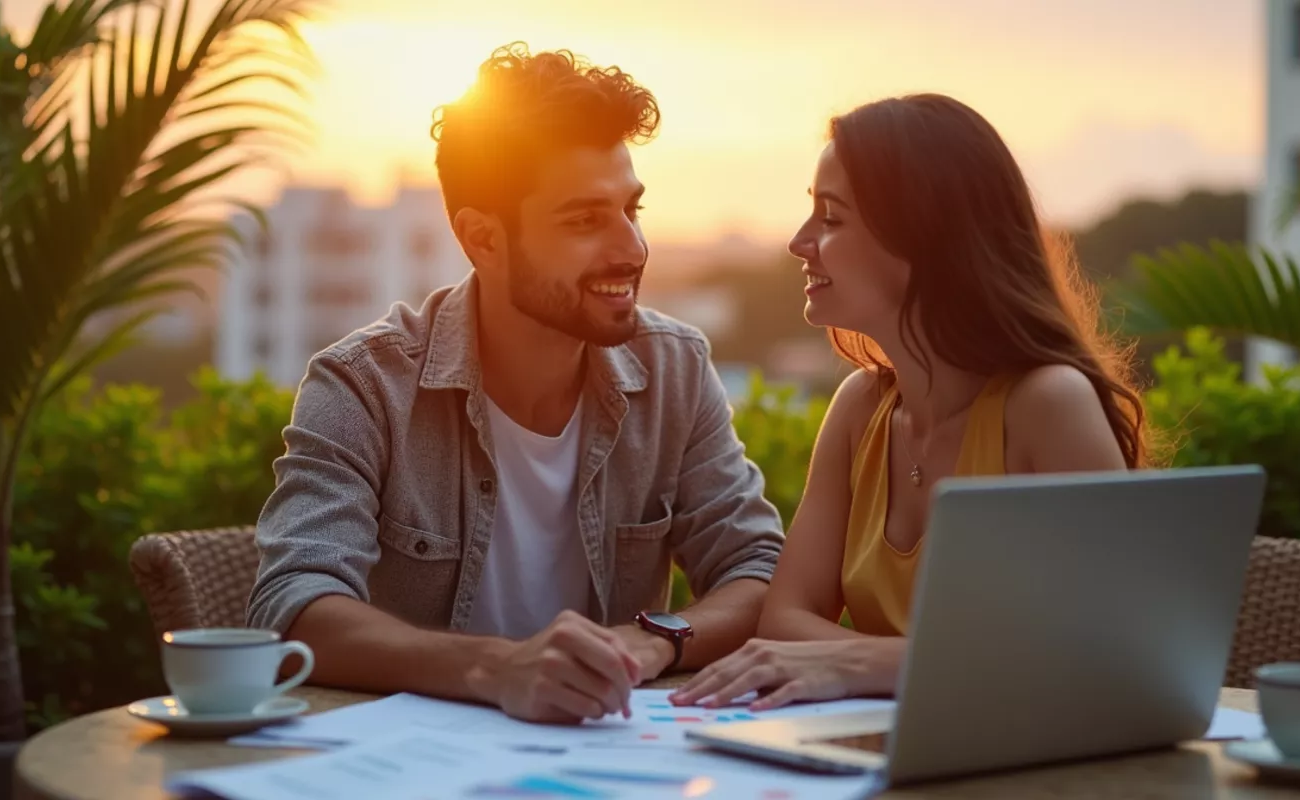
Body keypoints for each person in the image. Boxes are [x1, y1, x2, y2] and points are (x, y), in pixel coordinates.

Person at [246, 43, 786, 725]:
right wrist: (495, 669)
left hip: (604, 756)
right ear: (483, 239)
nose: (632, 248)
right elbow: (292, 606)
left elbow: (757, 570)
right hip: (407, 759)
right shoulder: (364, 386)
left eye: (632, 210)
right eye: (585, 220)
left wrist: (652, 642)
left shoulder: (674, 369)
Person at [669, 93, 1151, 711]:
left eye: (831, 218)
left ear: (923, 237)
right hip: (881, 744)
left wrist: (858, 662)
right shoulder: (860, 409)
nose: (798, 241)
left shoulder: (1047, 404)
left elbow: (1104, 652)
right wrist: (925, 666)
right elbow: (784, 622)